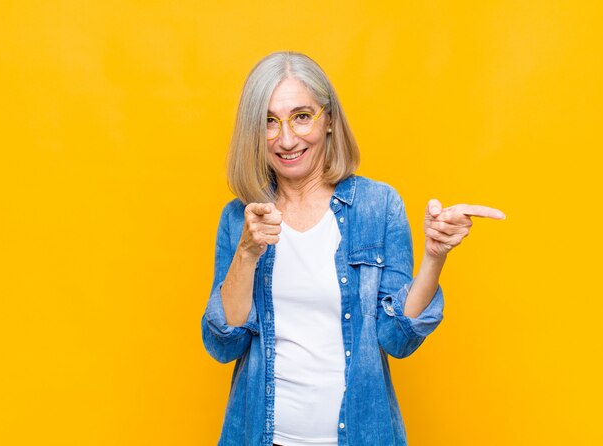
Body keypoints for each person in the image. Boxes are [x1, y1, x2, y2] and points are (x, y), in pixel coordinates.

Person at [202, 51, 504, 446]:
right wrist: (246, 252)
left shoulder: (378, 206)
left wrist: (434, 256)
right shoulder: (239, 218)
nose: (287, 138)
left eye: (302, 116)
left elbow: (397, 339)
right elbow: (225, 344)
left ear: (328, 120)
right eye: (269, 122)